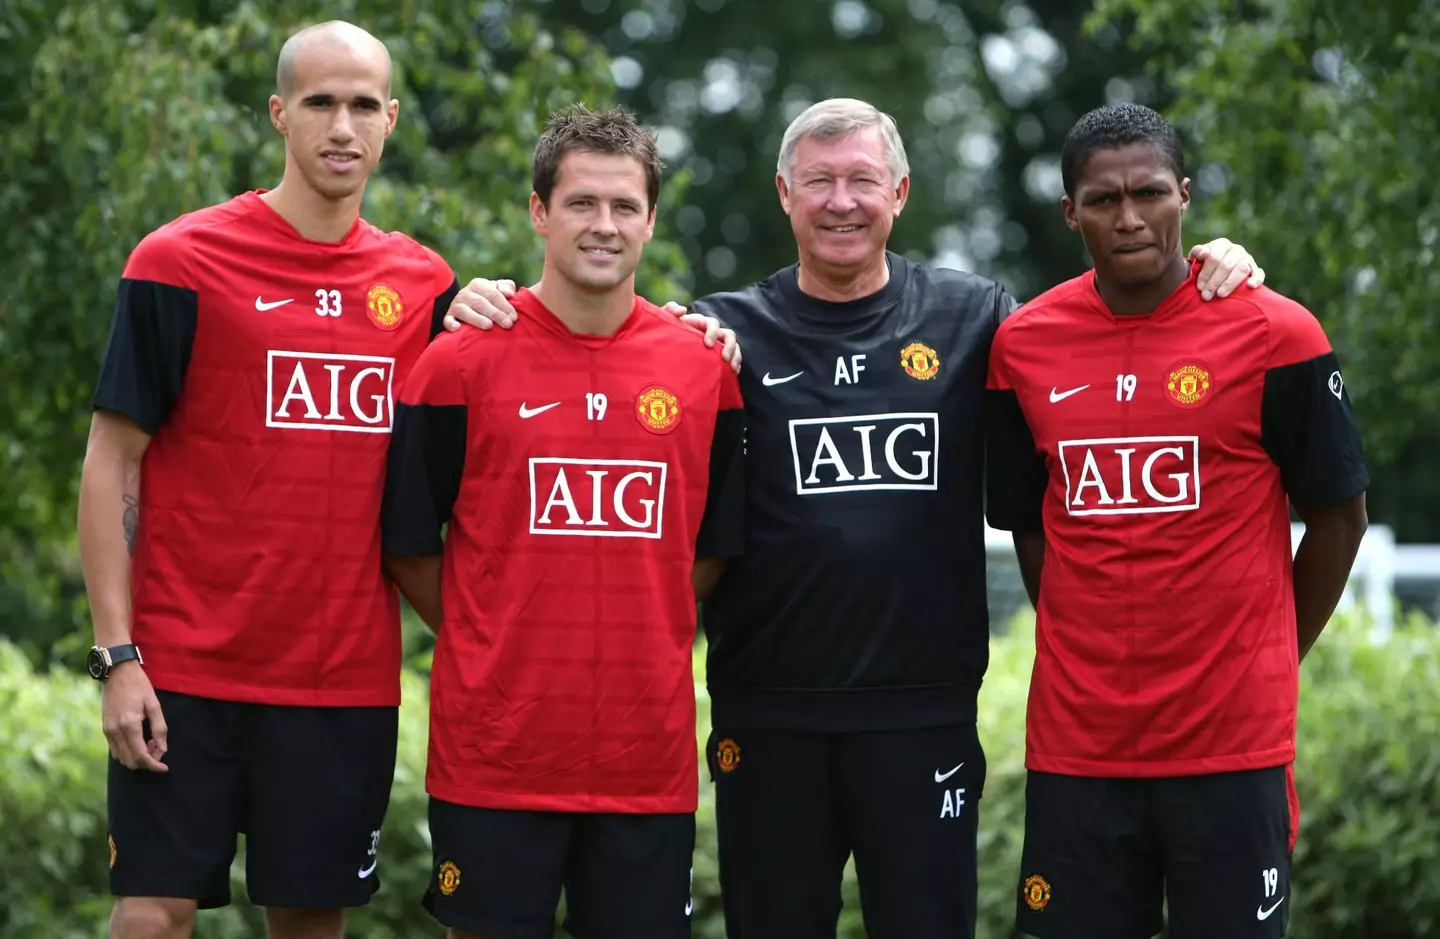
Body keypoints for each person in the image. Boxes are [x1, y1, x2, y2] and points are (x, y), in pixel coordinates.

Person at [443, 97, 1264, 939]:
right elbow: (599, 342)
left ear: (900, 192)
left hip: (923, 714)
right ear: (784, 194)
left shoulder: (977, 318)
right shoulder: (717, 334)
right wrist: (481, 297)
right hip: (767, 715)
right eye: (820, 181)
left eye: (863, 180)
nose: (843, 200)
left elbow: (1098, 322)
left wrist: (1208, 264)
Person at [73, 19, 615, 939]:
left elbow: (554, 380)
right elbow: (111, 458)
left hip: (342, 682)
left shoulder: (425, 286)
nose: (341, 126)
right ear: (280, 114)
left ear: (391, 119)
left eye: (363, 104)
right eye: (320, 102)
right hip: (185, 669)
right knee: (151, 914)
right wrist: (118, 657)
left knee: (311, 920)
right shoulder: (178, 261)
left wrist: (693, 332)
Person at [985, 102, 1369, 939]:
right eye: (1103, 199)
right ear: (1070, 211)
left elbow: (1341, 519)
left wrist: (1269, 652)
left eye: (1150, 193)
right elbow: (1030, 523)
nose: (1129, 218)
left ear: (1185, 196)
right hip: (1079, 750)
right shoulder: (1020, 347)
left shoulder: (1278, 332)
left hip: (1230, 749)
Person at [380, 104, 745, 939]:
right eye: (582, 203)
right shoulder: (458, 361)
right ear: (540, 211)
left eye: (625, 206)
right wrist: (490, 631)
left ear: (652, 220)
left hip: (643, 760)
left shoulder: (702, 370)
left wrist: (634, 622)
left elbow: (714, 547)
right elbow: (407, 544)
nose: (604, 225)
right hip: (493, 756)